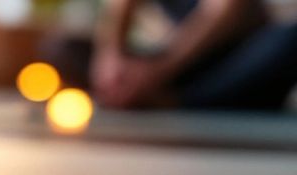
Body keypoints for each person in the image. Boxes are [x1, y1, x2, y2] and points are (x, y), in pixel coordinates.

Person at [49, 0, 297, 110]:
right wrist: (110, 58)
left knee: (291, 39)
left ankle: (175, 101)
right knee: (61, 46)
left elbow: (224, 10)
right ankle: (145, 94)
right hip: (181, 62)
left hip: (239, 59)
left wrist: (157, 71)